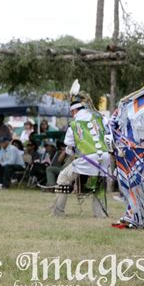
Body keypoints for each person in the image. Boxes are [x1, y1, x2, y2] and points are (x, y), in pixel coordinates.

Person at [51, 80, 110, 218]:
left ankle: (58, 213)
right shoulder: (99, 117)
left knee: (63, 178)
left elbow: (69, 147)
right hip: (105, 156)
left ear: (75, 111)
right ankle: (100, 214)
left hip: (88, 157)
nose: (72, 115)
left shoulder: (74, 123)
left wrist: (71, 155)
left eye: (72, 112)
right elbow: (108, 135)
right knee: (99, 183)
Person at [110, 72, 144, 229]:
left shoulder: (127, 103)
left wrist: (115, 147)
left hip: (123, 151)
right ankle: (136, 219)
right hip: (142, 152)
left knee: (132, 186)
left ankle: (136, 217)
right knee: (142, 186)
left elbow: (111, 125)